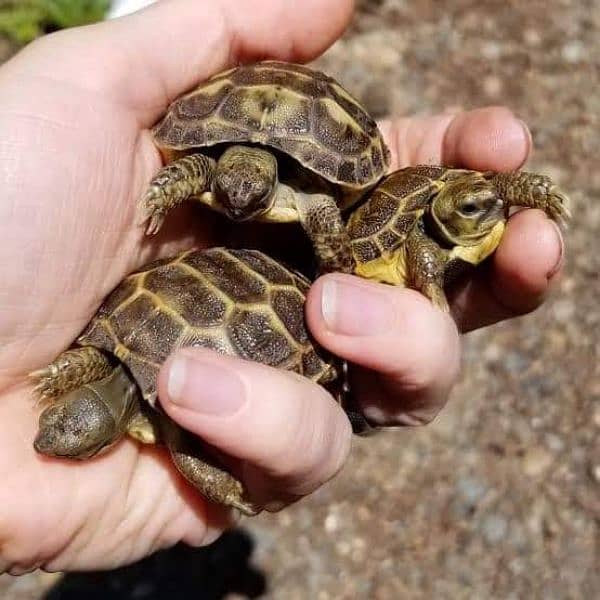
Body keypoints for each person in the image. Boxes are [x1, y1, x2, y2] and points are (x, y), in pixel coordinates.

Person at [0, 0, 563, 574]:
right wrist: (164, 190)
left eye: (251, 192)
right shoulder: (212, 171)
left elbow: (321, 216)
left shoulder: (313, 199)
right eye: (229, 189)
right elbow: (192, 171)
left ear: (269, 180)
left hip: (294, 218)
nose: (240, 202)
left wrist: (339, 263)